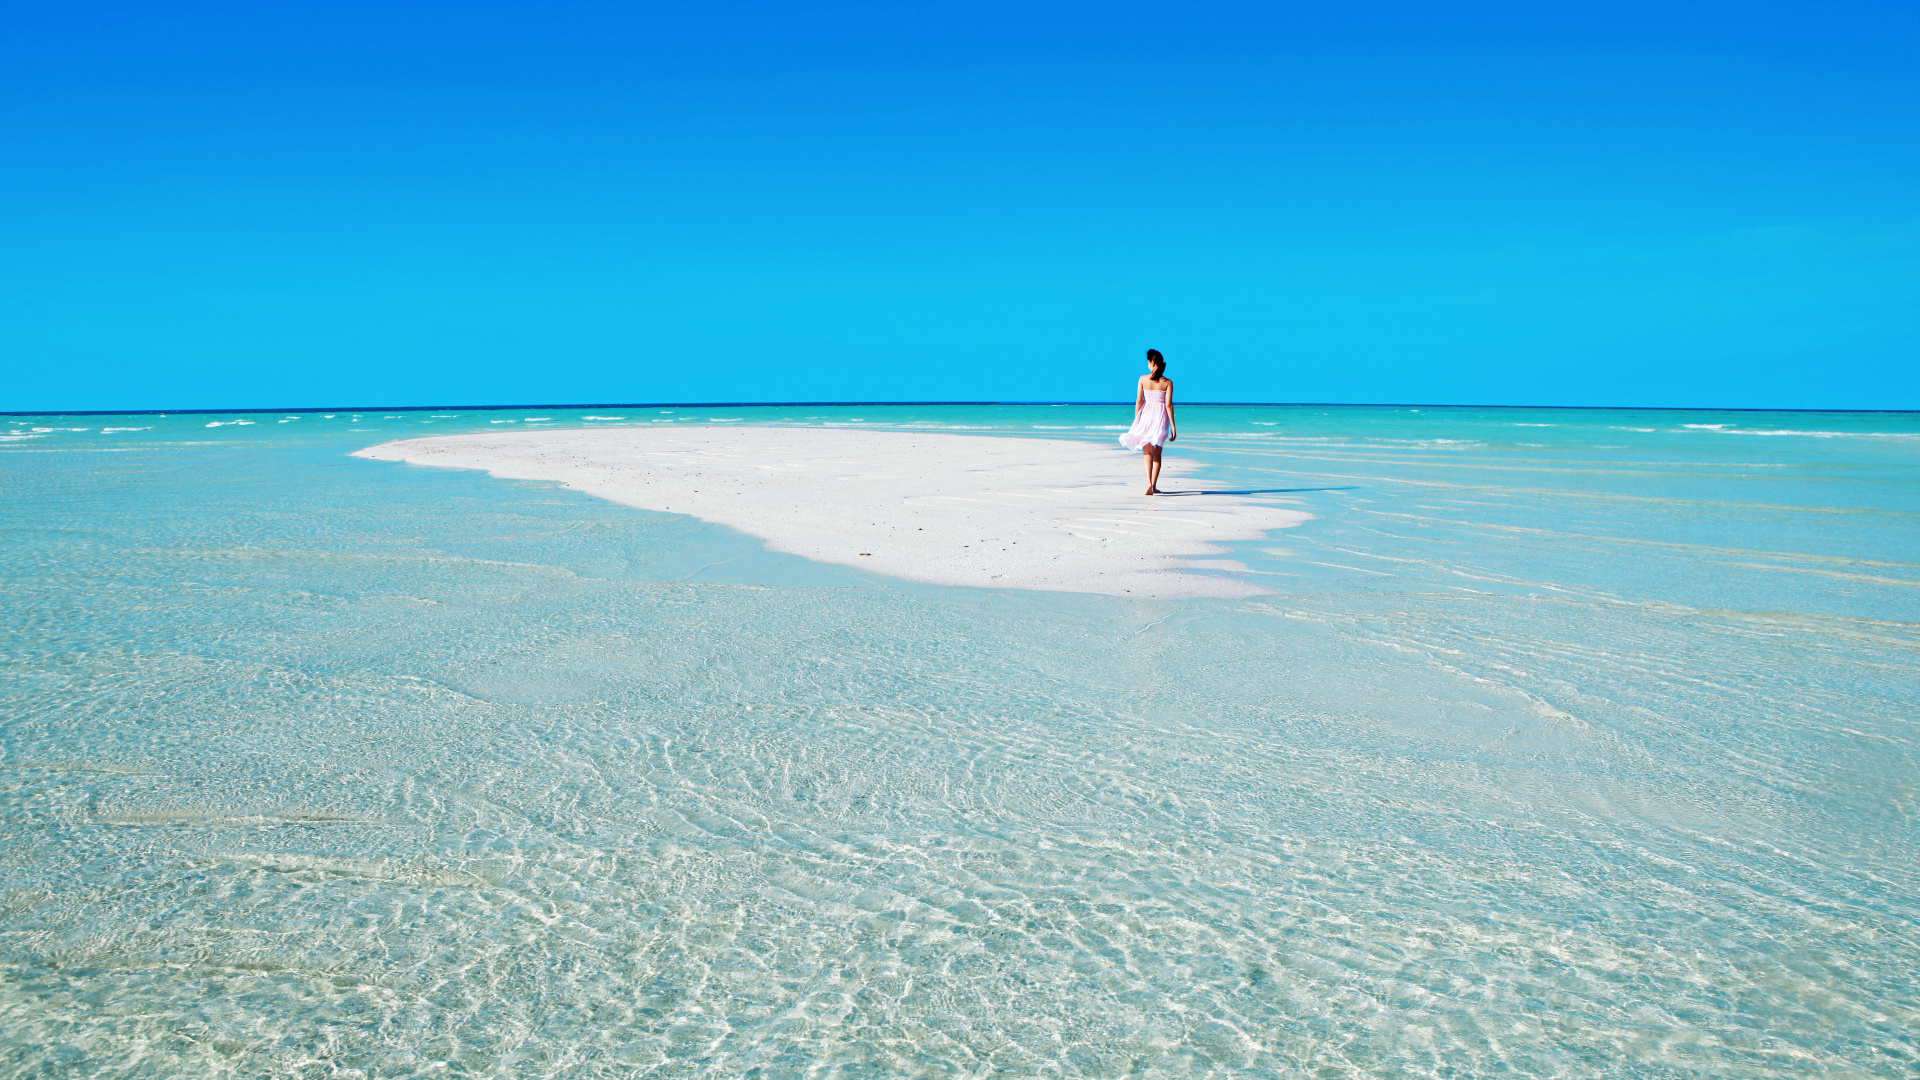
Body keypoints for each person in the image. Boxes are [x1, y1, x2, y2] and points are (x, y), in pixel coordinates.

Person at [1119, 348, 1176, 494]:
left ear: (1151, 362)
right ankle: (1154, 486)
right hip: (1161, 418)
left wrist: (1137, 419)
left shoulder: (1143, 379)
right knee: (1157, 454)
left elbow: (1139, 401)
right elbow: (1168, 405)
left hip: (1146, 416)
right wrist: (1173, 427)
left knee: (1147, 453)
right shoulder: (1167, 382)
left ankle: (1148, 483)